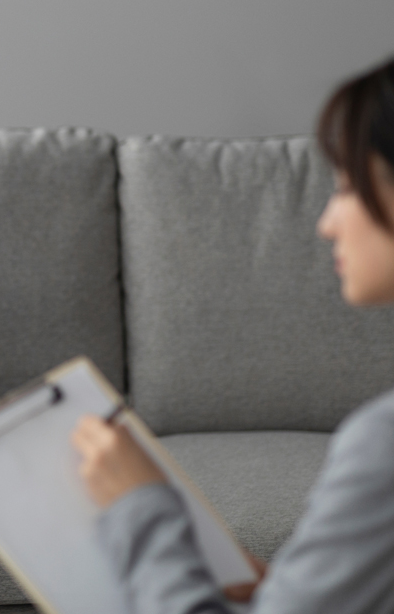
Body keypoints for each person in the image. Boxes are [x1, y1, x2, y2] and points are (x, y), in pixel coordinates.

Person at [71, 57, 394, 614]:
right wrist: (293, 589)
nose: (326, 223)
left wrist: (139, 507)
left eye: (346, 187)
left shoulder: (383, 444)